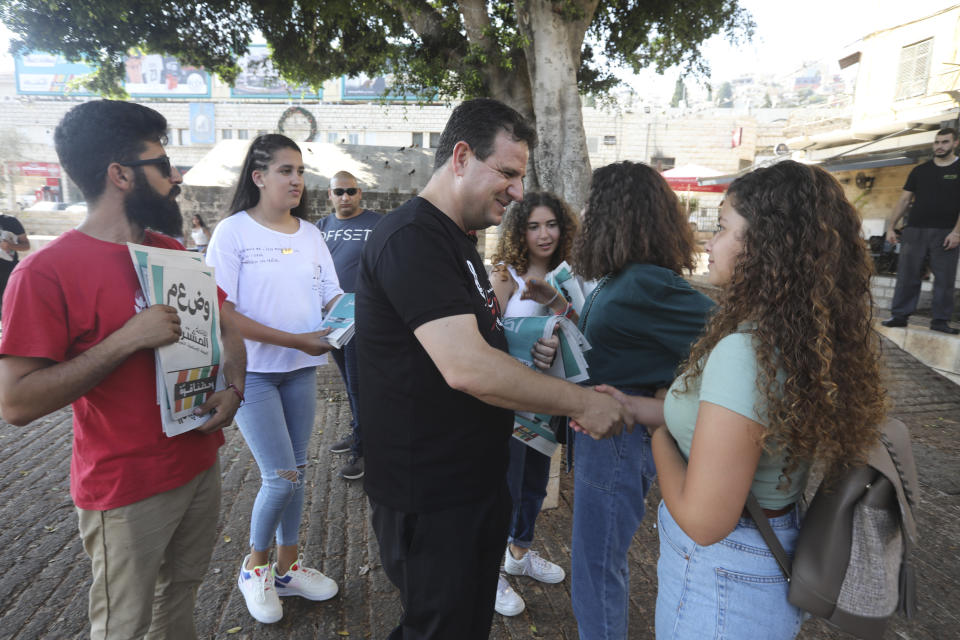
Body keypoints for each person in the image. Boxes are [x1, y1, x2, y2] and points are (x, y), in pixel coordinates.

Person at [356, 97, 627, 640]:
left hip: (469, 486)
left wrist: (533, 355)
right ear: (461, 157)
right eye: (506, 172)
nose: (518, 191)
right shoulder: (414, 238)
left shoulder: (455, 242)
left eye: (520, 176)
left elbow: (473, 348)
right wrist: (583, 403)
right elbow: (466, 367)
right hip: (431, 497)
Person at [594, 161, 886, 639]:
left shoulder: (745, 353)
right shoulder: (791, 339)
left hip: (724, 581)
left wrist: (660, 434)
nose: (707, 242)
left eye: (723, 227)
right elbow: (727, 425)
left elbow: (704, 521)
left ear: (763, 246)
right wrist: (633, 407)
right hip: (755, 566)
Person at [0, 100, 246, 639]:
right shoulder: (45, 273)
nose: (176, 176)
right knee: (123, 625)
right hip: (126, 487)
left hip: (198, 461)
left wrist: (235, 388)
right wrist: (125, 341)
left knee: (180, 597)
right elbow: (16, 403)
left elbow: (229, 326)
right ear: (120, 175)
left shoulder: (171, 252)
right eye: (162, 164)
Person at [568, 161, 714, 640]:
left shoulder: (645, 282)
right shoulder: (623, 276)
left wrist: (670, 391)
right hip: (607, 435)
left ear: (615, 212)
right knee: (596, 562)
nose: (583, 211)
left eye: (592, 202)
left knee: (596, 565)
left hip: (618, 440)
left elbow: (734, 338)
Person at [205, 134, 344, 624]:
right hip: (253, 374)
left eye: (300, 171)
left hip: (300, 372)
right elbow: (222, 313)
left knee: (298, 472)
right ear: (259, 176)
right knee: (280, 477)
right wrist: (296, 340)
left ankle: (288, 568)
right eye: (286, 170)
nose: (297, 181)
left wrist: (356, 316)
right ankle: (254, 567)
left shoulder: (310, 233)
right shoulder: (232, 232)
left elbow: (331, 294)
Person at [489, 191, 579, 616]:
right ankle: (491, 573)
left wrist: (554, 303)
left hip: (548, 403)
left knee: (535, 486)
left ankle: (519, 555)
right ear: (519, 230)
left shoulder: (570, 276)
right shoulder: (505, 275)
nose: (544, 234)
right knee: (501, 489)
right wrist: (524, 349)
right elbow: (484, 338)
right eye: (533, 225)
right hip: (506, 405)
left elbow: (582, 334)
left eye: (551, 224)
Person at [316, 170, 382, 480]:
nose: (345, 197)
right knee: (348, 383)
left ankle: (365, 451)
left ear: (360, 194)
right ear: (329, 195)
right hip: (332, 319)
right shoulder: (321, 228)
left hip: (364, 318)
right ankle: (359, 433)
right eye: (339, 191)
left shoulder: (377, 223)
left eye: (351, 191)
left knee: (360, 386)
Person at [883, 127, 960, 334]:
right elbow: (904, 200)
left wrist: (957, 232)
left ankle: (940, 321)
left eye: (945, 142)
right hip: (915, 230)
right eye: (937, 142)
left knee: (944, 279)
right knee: (907, 275)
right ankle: (899, 316)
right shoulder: (920, 171)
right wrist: (891, 227)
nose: (939, 146)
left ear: (955, 143)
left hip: (945, 232)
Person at [0, 212, 30, 316]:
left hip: (8, 272)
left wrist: (10, 246)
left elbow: (26, 246)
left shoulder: (10, 221)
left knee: (9, 308)